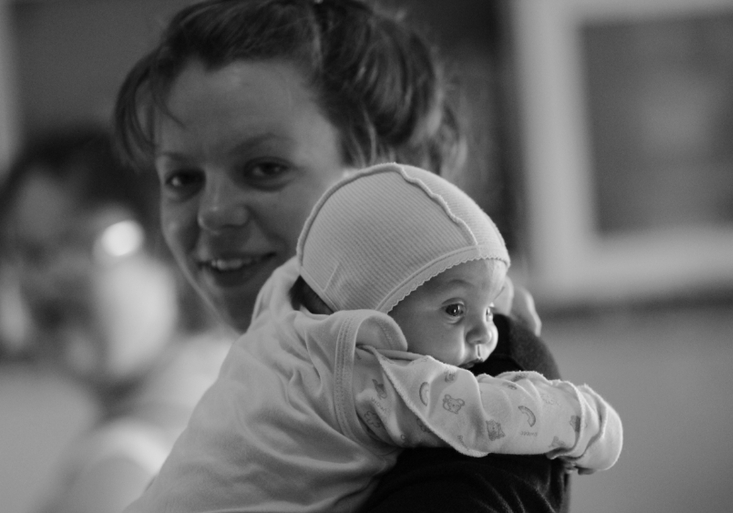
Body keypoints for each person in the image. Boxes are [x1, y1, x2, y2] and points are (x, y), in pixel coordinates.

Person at [113, 0, 574, 510]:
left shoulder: (486, 374)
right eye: (182, 178)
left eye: (265, 168)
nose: (213, 213)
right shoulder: (261, 379)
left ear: (392, 178)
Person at [125, 163, 622, 512]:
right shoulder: (364, 377)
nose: (486, 334)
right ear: (371, 316)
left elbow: (356, 262)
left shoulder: (284, 298)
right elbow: (480, 417)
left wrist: (489, 296)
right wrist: (585, 424)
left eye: (488, 309)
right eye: (455, 310)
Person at [0, 127, 232, 513]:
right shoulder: (240, 389)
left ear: (171, 243)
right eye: (28, 253)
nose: (45, 281)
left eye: (81, 241)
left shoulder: (126, 468)